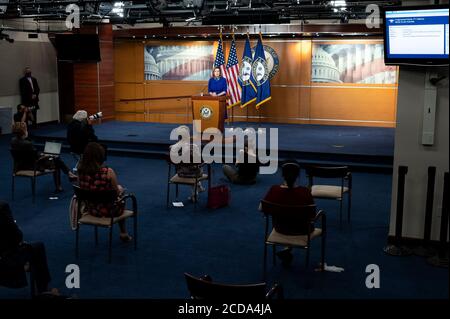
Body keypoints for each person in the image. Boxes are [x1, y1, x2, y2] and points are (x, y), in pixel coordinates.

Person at [261, 160, 315, 265]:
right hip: (303, 230)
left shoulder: (274, 190)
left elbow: (262, 207)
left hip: (280, 228)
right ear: (298, 175)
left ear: (282, 175)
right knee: (295, 219)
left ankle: (287, 248)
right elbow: (312, 215)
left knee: (287, 218)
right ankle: (288, 248)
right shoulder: (305, 192)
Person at [77, 142, 132, 242]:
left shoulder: (80, 171)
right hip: (109, 211)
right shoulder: (108, 172)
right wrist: (120, 189)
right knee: (121, 196)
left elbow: (84, 188)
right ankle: (123, 232)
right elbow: (116, 194)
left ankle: (123, 232)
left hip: (91, 209)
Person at [0, 201, 52, 296]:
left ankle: (25, 263)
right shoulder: (2, 208)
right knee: (38, 247)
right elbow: (17, 236)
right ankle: (43, 291)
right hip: (6, 260)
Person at [10, 122, 77, 193]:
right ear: (23, 131)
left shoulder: (13, 141)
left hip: (19, 166)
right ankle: (66, 178)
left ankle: (68, 175)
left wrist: (43, 155)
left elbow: (31, 154)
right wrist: (45, 155)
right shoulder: (27, 144)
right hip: (32, 166)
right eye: (26, 129)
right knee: (56, 159)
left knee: (55, 159)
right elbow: (36, 157)